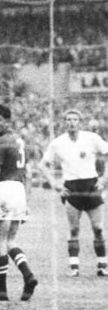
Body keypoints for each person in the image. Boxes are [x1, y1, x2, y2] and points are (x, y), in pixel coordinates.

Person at [34, 108, 108, 277]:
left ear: (79, 122)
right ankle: (74, 267)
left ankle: (102, 266)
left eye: (75, 119)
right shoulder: (58, 143)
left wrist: (104, 179)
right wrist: (55, 183)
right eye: (68, 119)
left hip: (91, 186)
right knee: (74, 228)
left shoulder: (92, 138)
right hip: (71, 188)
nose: (71, 122)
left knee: (98, 228)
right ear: (64, 123)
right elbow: (42, 165)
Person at [0, 104, 38, 302]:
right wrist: (26, 201)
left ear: (7, 121)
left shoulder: (2, 142)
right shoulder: (21, 141)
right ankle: (28, 275)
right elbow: (28, 174)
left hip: (4, 188)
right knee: (10, 240)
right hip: (19, 189)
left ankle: (2, 292)